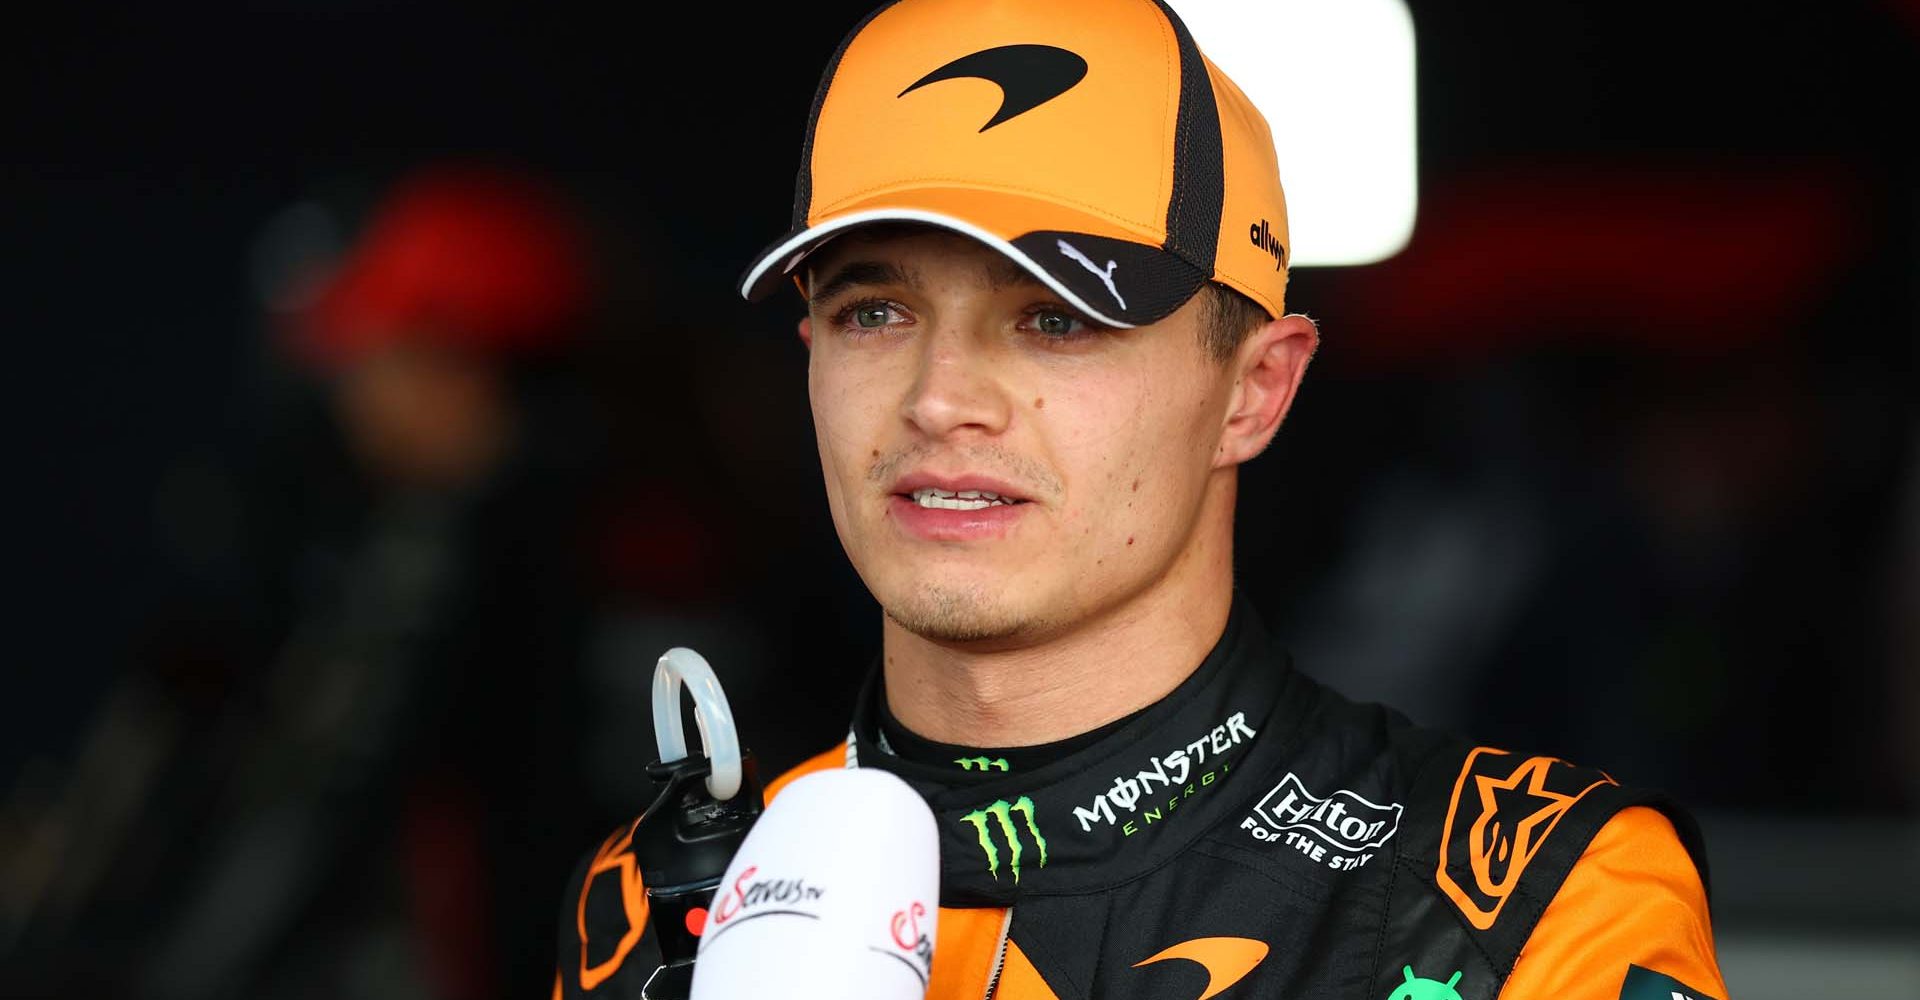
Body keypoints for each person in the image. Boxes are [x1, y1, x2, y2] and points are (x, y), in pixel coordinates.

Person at [559, 2, 1726, 998]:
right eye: (876, 312)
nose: (941, 399)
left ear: (1255, 389)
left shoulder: (1537, 907)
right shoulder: (663, 908)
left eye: (1057, 316)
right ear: (807, 351)